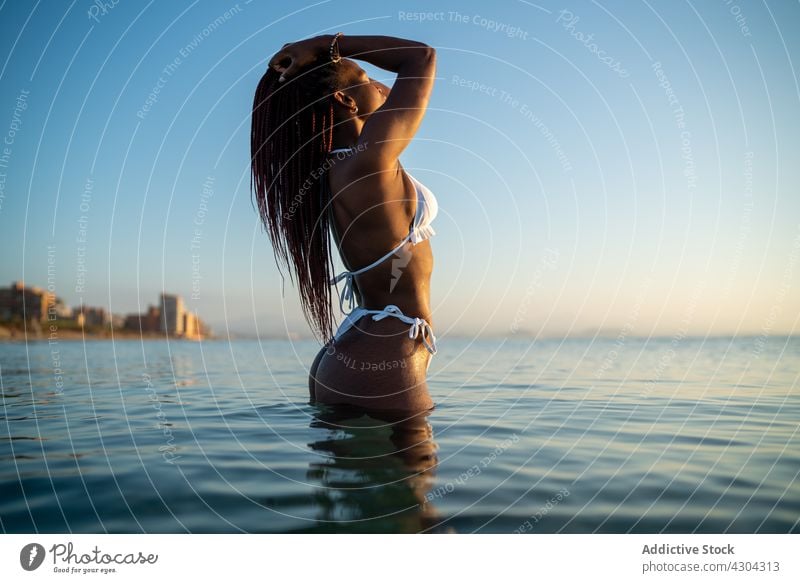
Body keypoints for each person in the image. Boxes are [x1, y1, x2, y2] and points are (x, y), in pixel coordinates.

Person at [251, 34, 439, 412]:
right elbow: (421, 57)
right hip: (382, 357)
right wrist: (328, 44)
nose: (384, 86)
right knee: (412, 472)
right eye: (368, 80)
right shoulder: (365, 166)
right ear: (345, 100)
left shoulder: (334, 171)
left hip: (354, 351)